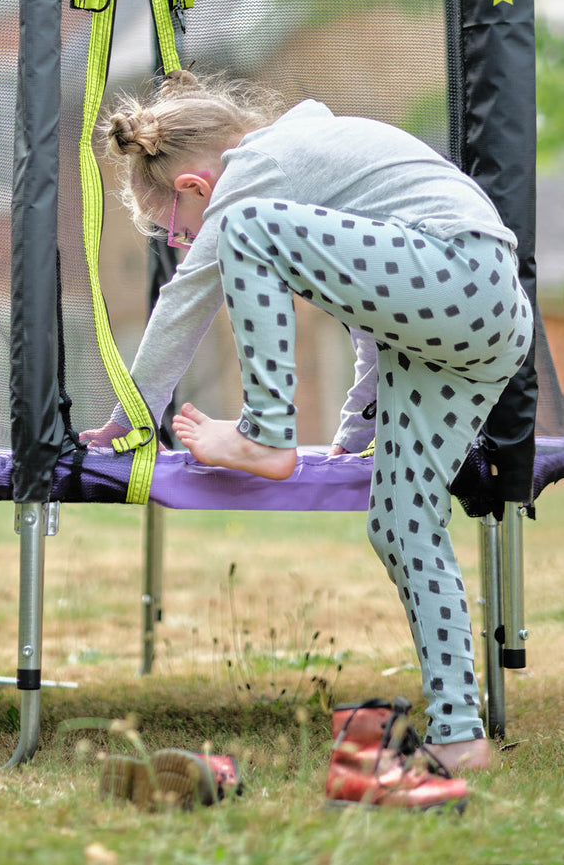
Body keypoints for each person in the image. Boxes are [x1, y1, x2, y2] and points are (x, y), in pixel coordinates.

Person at [81, 69, 532, 774]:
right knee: (403, 521)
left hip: (458, 272)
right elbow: (372, 307)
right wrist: (356, 431)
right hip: (482, 320)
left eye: (174, 230)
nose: (180, 246)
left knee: (250, 233)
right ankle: (459, 730)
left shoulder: (254, 176)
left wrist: (128, 414)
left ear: (198, 188)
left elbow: (183, 305)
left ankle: (266, 429)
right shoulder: (315, 163)